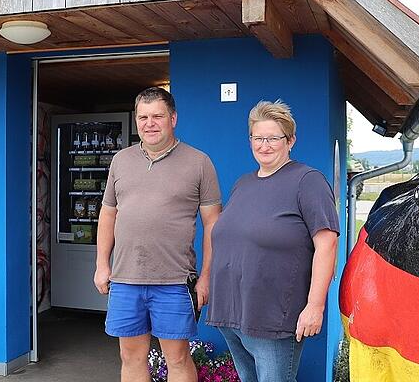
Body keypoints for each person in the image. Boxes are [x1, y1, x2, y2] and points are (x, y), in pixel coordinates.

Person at [94, 87, 222, 382]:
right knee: (130, 357)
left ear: (173, 118)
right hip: (125, 280)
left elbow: (213, 223)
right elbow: (108, 214)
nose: (149, 123)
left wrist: (206, 276)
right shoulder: (121, 160)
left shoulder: (199, 162)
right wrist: (102, 263)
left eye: (157, 116)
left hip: (175, 281)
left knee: (177, 358)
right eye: (143, 117)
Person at [206, 100, 339, 382]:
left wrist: (315, 306)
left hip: (273, 317)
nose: (264, 145)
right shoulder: (244, 183)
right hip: (233, 313)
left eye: (273, 138)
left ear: (290, 140)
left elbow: (327, 245)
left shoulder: (308, 181)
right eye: (258, 138)